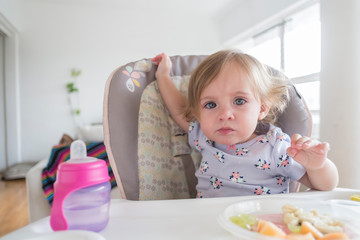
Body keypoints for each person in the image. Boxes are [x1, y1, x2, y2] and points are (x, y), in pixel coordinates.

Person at [152, 50, 338, 198]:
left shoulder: (277, 147)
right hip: (210, 223)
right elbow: (178, 110)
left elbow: (324, 185)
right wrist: (163, 76)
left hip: (260, 227)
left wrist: (318, 166)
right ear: (198, 113)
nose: (224, 114)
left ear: (262, 108)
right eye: (210, 104)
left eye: (239, 101)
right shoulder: (203, 135)